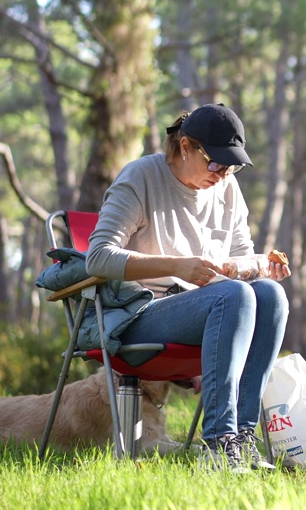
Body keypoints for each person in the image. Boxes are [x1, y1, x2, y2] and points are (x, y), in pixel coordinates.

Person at [85, 103, 291, 472]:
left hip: (210, 308)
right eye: (215, 163)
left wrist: (256, 266)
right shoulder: (142, 177)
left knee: (270, 295)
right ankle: (218, 442)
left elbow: (241, 257)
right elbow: (98, 257)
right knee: (234, 295)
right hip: (140, 313)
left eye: (233, 166)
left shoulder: (227, 188)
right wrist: (179, 266)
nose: (223, 174)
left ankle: (241, 438)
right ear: (185, 147)